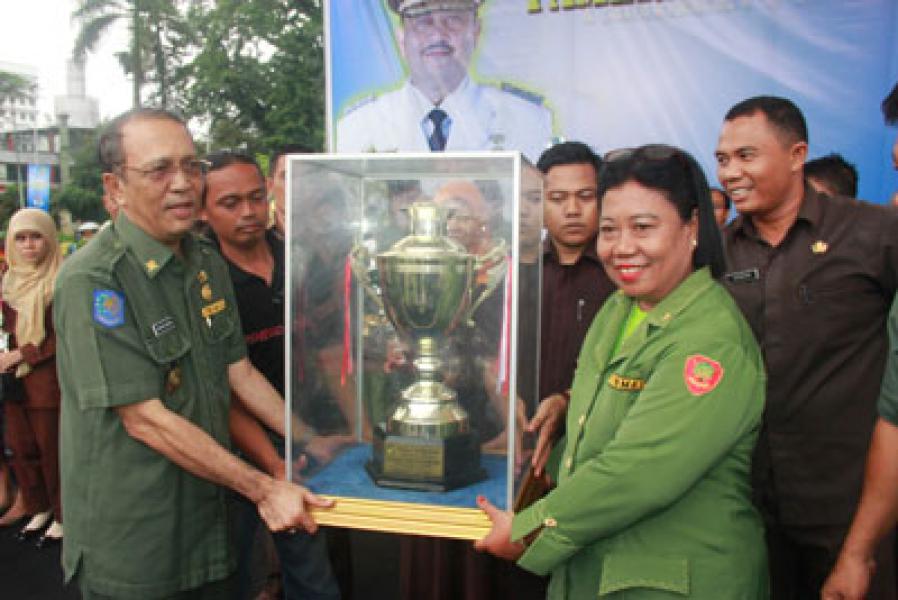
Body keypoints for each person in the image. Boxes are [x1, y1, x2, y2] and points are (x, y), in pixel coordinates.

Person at [55, 108, 331, 599]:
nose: (183, 184)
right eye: (159, 170)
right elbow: (145, 419)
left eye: (191, 166)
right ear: (115, 186)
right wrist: (266, 488)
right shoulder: (95, 280)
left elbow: (238, 372)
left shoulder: (204, 261)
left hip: (214, 522)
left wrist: (312, 439)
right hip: (143, 541)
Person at [476, 143, 768, 599]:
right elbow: (614, 407)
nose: (622, 247)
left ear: (691, 227)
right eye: (609, 230)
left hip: (674, 580)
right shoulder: (619, 307)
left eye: (643, 227)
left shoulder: (710, 340)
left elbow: (639, 471)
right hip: (600, 567)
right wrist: (563, 417)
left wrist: (529, 529)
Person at [715, 95, 898, 599]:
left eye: (746, 156)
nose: (732, 172)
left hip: (853, 510)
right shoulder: (719, 252)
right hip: (752, 508)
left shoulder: (873, 233)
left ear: (797, 155)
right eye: (723, 160)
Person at [201, 150, 344, 600]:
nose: (248, 212)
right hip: (239, 443)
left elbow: (331, 348)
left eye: (255, 198)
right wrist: (273, 463)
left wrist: (350, 426)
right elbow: (225, 389)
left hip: (309, 431)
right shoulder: (200, 278)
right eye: (229, 203)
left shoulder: (299, 258)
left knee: (315, 562)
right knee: (237, 564)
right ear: (204, 210)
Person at [335, 0, 553, 161]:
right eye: (423, 21)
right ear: (401, 39)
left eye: (453, 20)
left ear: (476, 32)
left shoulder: (528, 119)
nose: (438, 34)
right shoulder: (358, 126)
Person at [527, 141, 615, 480]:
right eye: (558, 198)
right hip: (525, 446)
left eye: (586, 196)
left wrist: (568, 400)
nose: (573, 210)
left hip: (598, 453)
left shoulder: (622, 270)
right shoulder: (524, 271)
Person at [0, 208, 64, 549]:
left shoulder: (62, 280)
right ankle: (38, 508)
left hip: (46, 384)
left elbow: (62, 337)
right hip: (14, 384)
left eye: (36, 236)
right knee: (22, 450)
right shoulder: (9, 282)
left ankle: (62, 515)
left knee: (52, 451)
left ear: (50, 239)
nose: (28, 246)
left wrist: (21, 355)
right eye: (20, 238)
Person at [268, 144, 312, 239]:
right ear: (270, 185)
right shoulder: (255, 245)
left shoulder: (340, 243)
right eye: (287, 177)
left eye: (306, 177)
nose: (297, 185)